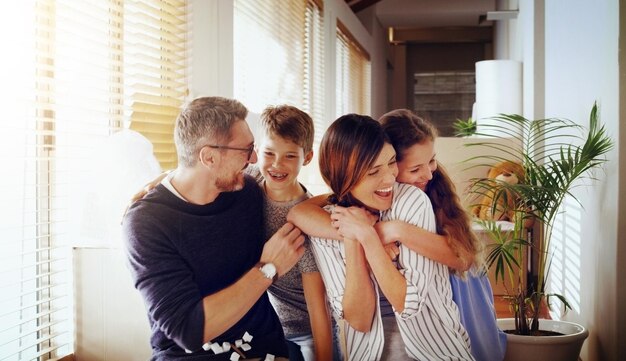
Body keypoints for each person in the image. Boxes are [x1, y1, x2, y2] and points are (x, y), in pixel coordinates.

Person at [290, 109, 506, 361]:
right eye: (373, 171)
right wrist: (354, 236)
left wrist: (378, 235)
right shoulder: (332, 219)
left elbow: (455, 263)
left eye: (391, 163)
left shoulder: (415, 198)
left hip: (434, 336)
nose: (427, 174)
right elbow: (358, 321)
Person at [122, 96, 305, 361]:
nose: (254, 158)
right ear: (208, 157)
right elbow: (189, 330)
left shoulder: (246, 190)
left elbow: (306, 201)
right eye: (246, 149)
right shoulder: (147, 223)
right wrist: (269, 268)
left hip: (268, 350)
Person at [245, 105, 337, 361]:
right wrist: (158, 183)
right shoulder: (250, 178)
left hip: (305, 330)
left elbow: (318, 306)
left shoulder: (306, 221)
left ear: (306, 158)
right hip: (268, 326)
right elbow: (202, 172)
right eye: (269, 153)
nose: (276, 164)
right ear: (256, 152)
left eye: (289, 156)